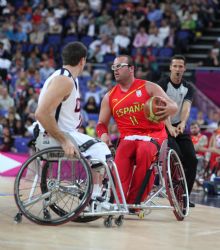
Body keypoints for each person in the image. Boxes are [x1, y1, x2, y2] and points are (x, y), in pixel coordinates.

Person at [96, 55, 178, 205]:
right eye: (114, 67)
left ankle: (135, 202)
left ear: (131, 68)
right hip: (128, 137)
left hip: (153, 135)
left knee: (145, 151)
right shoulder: (109, 97)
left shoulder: (149, 87)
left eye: (120, 66)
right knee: (121, 156)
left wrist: (166, 110)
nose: (115, 70)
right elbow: (101, 123)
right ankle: (118, 203)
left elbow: (173, 106)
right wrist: (104, 135)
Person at [35, 41, 112, 197]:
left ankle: (94, 194)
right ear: (82, 60)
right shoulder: (64, 80)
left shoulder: (69, 78)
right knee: (100, 148)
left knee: (96, 146)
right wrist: (64, 140)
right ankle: (96, 198)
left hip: (62, 133)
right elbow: (41, 114)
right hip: (53, 137)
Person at [157, 55, 198, 207]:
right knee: (177, 156)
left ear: (184, 69)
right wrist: (169, 127)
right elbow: (161, 108)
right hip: (163, 126)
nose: (178, 69)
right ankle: (174, 191)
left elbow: (186, 108)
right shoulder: (162, 84)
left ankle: (185, 196)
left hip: (178, 126)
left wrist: (182, 123)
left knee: (192, 160)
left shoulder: (188, 87)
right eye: (175, 66)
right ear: (170, 68)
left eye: (181, 66)